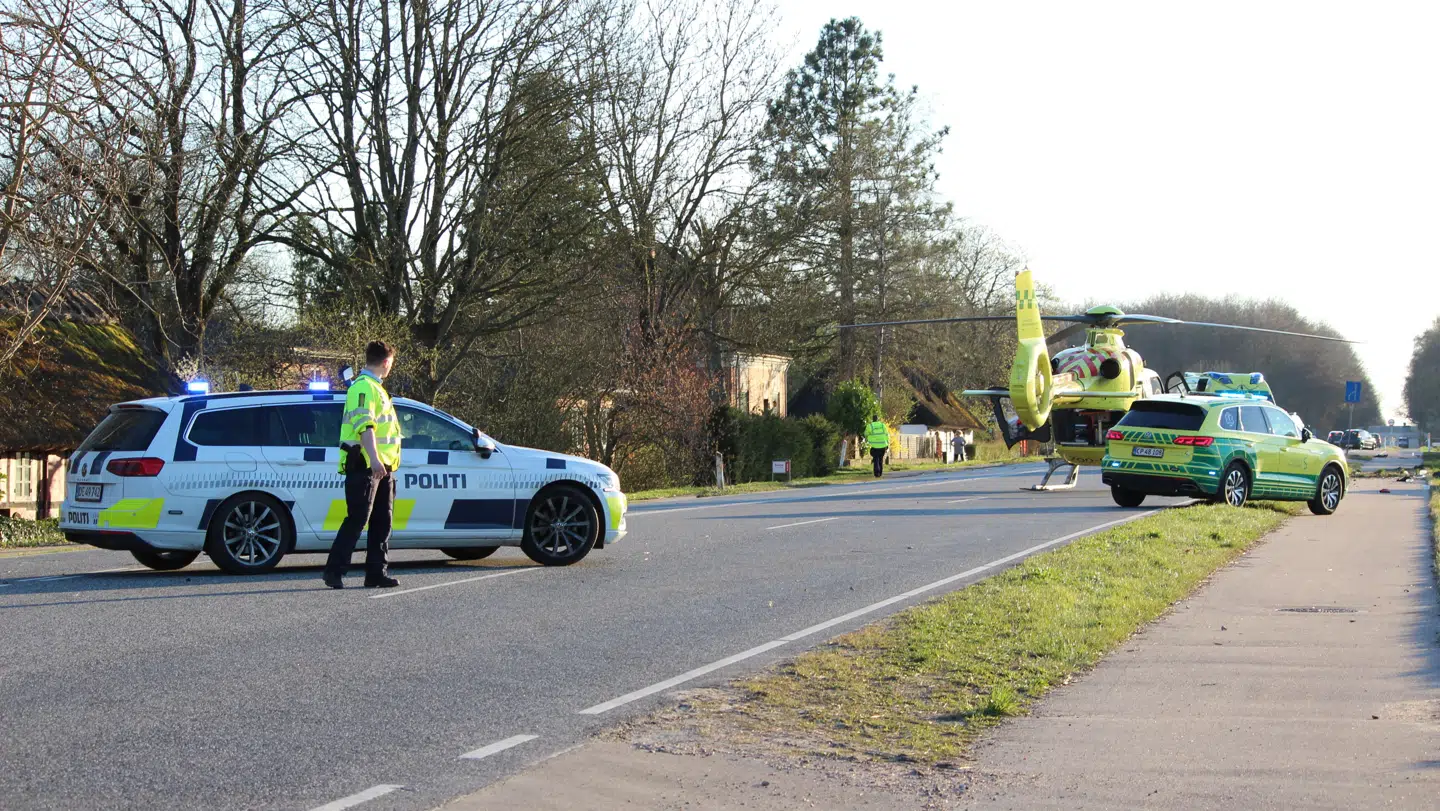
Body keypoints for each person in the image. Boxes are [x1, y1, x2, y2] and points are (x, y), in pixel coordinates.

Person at [323, 341, 402, 589]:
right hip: (365, 464)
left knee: (382, 521)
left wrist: (383, 463)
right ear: (386, 362)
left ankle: (376, 573)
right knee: (357, 519)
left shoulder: (375, 389)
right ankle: (334, 572)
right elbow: (365, 427)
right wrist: (376, 459)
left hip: (382, 467)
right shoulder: (364, 388)